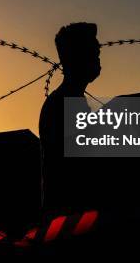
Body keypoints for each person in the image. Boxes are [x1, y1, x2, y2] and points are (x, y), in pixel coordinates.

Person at [38, 22, 101, 213]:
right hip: (68, 222)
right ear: (76, 58)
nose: (98, 56)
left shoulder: (70, 102)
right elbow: (82, 173)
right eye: (93, 52)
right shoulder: (64, 106)